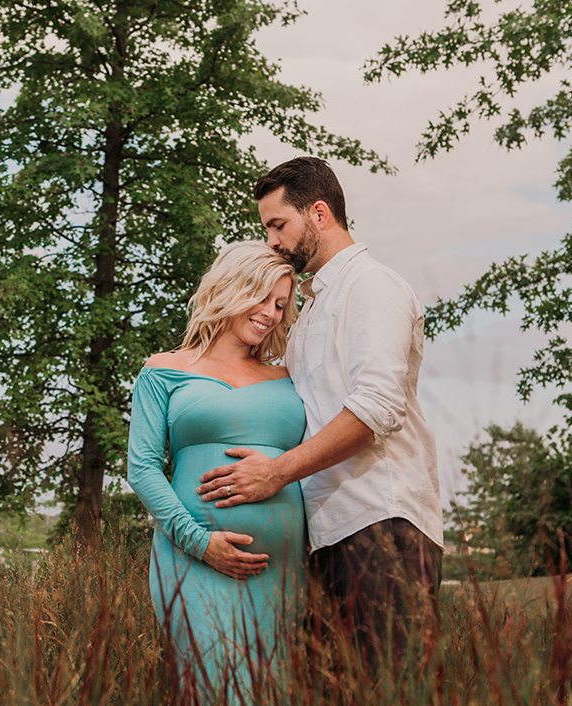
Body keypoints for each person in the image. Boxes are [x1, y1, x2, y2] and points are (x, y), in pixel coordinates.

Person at [195, 156, 444, 666]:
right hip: (327, 535)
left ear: (321, 214)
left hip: (381, 524)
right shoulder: (309, 312)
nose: (272, 242)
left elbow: (376, 407)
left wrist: (276, 473)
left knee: (387, 690)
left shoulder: (371, 287)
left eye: (278, 225)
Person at [127, 240, 306, 700]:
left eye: (281, 305)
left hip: (283, 571)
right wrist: (199, 542)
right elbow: (143, 468)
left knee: (274, 693)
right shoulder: (165, 370)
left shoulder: (290, 375)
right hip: (195, 561)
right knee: (214, 689)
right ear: (231, 288)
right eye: (261, 296)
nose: (270, 312)